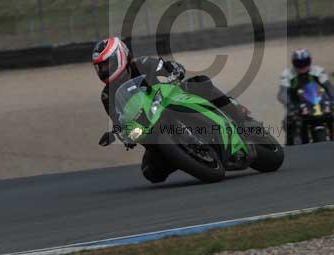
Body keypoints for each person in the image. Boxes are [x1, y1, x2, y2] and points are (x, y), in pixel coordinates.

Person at [92, 36, 251, 183]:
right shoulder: (107, 95)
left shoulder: (141, 63)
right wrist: (121, 133)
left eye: (106, 64)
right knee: (150, 173)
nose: (104, 70)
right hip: (149, 129)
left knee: (201, 82)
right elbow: (118, 119)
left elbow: (165, 66)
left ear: (119, 56)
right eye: (100, 67)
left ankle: (235, 111)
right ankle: (189, 156)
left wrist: (174, 70)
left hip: (170, 99)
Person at [277, 49, 334, 145]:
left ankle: (332, 136)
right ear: (294, 63)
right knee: (290, 122)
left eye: (305, 62)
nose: (302, 66)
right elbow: (282, 93)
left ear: (309, 61)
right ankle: (293, 147)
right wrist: (289, 103)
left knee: (332, 113)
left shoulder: (318, 71)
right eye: (299, 63)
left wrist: (333, 98)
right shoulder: (287, 74)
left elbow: (329, 87)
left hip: (317, 104)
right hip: (296, 106)